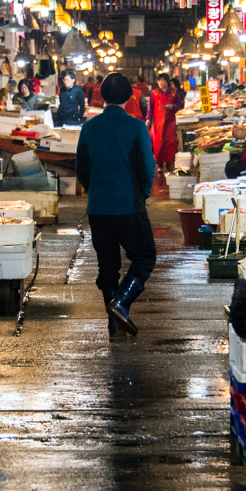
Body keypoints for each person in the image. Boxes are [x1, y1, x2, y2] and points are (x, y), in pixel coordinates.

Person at [76, 72, 157, 336]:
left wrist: (95, 191)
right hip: (128, 205)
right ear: (130, 96)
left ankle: (114, 324)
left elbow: (81, 169)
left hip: (98, 208)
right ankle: (121, 303)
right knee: (144, 257)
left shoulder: (88, 128)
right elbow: (147, 166)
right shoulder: (136, 127)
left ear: (101, 95)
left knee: (107, 266)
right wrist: (142, 193)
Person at [147, 73, 181, 172]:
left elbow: (179, 105)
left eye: (163, 81)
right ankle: (160, 164)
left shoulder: (174, 92)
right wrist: (148, 118)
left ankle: (169, 163)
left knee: (170, 142)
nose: (161, 83)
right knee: (159, 143)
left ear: (167, 81)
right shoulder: (154, 93)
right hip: (157, 123)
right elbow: (150, 107)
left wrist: (172, 106)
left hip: (170, 122)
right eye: (159, 81)